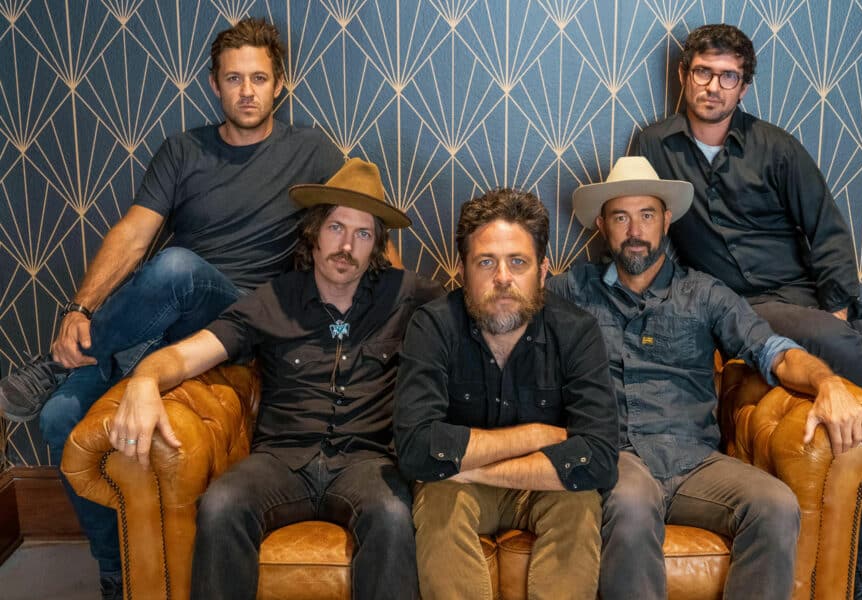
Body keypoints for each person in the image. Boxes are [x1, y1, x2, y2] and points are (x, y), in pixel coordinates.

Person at [635, 23, 862, 599]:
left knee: (857, 414)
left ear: (743, 87)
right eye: (703, 71)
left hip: (794, 298)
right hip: (727, 307)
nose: (713, 86)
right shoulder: (653, 145)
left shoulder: (776, 146)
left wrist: (834, 311)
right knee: (845, 368)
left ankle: (856, 569)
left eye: (728, 76)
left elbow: (826, 229)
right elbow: (649, 227)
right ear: (685, 76)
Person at [0, 18, 340, 600]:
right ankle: (114, 571)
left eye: (259, 78)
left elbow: (357, 226)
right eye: (234, 79)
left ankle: (54, 365)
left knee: (179, 266)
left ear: (279, 84)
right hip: (161, 324)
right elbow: (133, 234)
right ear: (214, 85)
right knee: (59, 419)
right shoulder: (183, 150)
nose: (248, 91)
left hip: (242, 320)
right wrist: (80, 308)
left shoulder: (310, 150)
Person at [108, 158, 441, 600]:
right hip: (281, 460)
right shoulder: (274, 299)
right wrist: (144, 379)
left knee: (393, 517)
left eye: (363, 234)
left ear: (377, 245)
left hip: (368, 462)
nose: (347, 245)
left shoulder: (406, 294)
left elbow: (473, 315)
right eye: (337, 228)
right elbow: (191, 353)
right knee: (221, 504)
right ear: (315, 232)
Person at [548, 156, 862, 599]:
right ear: (604, 226)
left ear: (665, 220)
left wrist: (827, 383)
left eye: (646, 215)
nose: (635, 230)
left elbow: (772, 351)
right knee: (630, 504)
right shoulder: (573, 289)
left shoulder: (704, 293)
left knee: (776, 506)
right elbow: (507, 315)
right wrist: (524, 273)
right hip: (618, 456)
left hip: (694, 461)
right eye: (621, 217)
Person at [393, 188, 619, 599]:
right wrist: (535, 437)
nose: (502, 278)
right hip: (458, 490)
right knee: (440, 498)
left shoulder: (576, 330)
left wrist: (468, 465)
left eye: (518, 262)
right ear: (463, 271)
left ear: (543, 270)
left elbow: (599, 459)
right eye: (486, 262)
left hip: (537, 488)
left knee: (580, 502)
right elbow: (414, 447)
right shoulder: (433, 326)